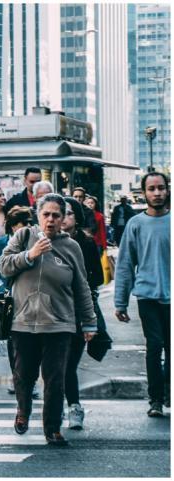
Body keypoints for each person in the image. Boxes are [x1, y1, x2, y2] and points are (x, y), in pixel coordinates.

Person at [0, 194, 97, 447]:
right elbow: (4, 266)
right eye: (46, 214)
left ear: (63, 218)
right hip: (23, 321)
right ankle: (23, 411)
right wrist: (30, 255)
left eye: (56, 215)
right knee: (23, 374)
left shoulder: (71, 247)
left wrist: (89, 322)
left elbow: (82, 287)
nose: (51, 220)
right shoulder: (23, 236)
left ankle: (52, 428)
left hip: (59, 323)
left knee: (55, 378)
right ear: (38, 215)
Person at [115, 172, 171, 417]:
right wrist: (120, 302)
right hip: (147, 296)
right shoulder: (135, 224)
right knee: (154, 346)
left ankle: (168, 390)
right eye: (151, 189)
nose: (157, 193)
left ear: (167, 190)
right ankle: (155, 399)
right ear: (144, 193)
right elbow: (125, 265)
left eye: (161, 188)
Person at [0, 206, 38, 398]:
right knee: (14, 342)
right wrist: (0, 286)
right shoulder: (1, 243)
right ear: (13, 226)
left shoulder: (35, 243)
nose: (28, 227)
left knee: (33, 341)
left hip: (33, 299)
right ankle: (17, 378)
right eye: (23, 224)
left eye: (30, 223)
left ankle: (30, 380)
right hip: (10, 301)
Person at [61, 197, 105, 430]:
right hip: (52, 311)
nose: (63, 218)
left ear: (77, 218)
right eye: (60, 212)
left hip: (78, 311)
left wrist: (78, 283)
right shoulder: (46, 241)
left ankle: (74, 407)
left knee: (68, 364)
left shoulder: (86, 243)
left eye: (68, 213)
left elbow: (98, 277)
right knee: (53, 364)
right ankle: (56, 405)